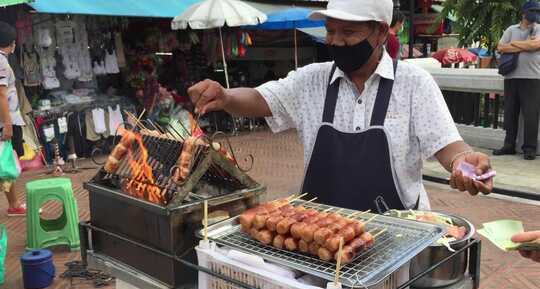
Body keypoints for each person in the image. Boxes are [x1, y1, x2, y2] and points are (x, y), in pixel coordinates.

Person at [188, 0, 494, 211]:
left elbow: (448, 146)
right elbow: (261, 100)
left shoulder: (414, 84)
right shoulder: (312, 80)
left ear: (381, 32)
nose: (336, 41)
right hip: (321, 229)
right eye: (331, 31)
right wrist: (226, 97)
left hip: (397, 232)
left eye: (349, 32)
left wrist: (465, 162)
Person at [494, 0, 540, 160]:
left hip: (533, 77)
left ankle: (529, 148)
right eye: (533, 11)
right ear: (524, 12)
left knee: (531, 114)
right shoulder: (511, 29)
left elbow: (536, 45)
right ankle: (509, 145)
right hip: (511, 76)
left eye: (538, 11)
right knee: (510, 113)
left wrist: (513, 44)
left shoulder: (539, 29)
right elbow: (500, 47)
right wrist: (525, 45)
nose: (536, 14)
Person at [0, 21, 26, 216]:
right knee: (6, 164)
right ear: (10, 43)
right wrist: (7, 125)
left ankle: (14, 203)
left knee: (6, 164)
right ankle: (14, 203)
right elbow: (0, 94)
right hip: (5, 121)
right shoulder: (0, 61)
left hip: (6, 119)